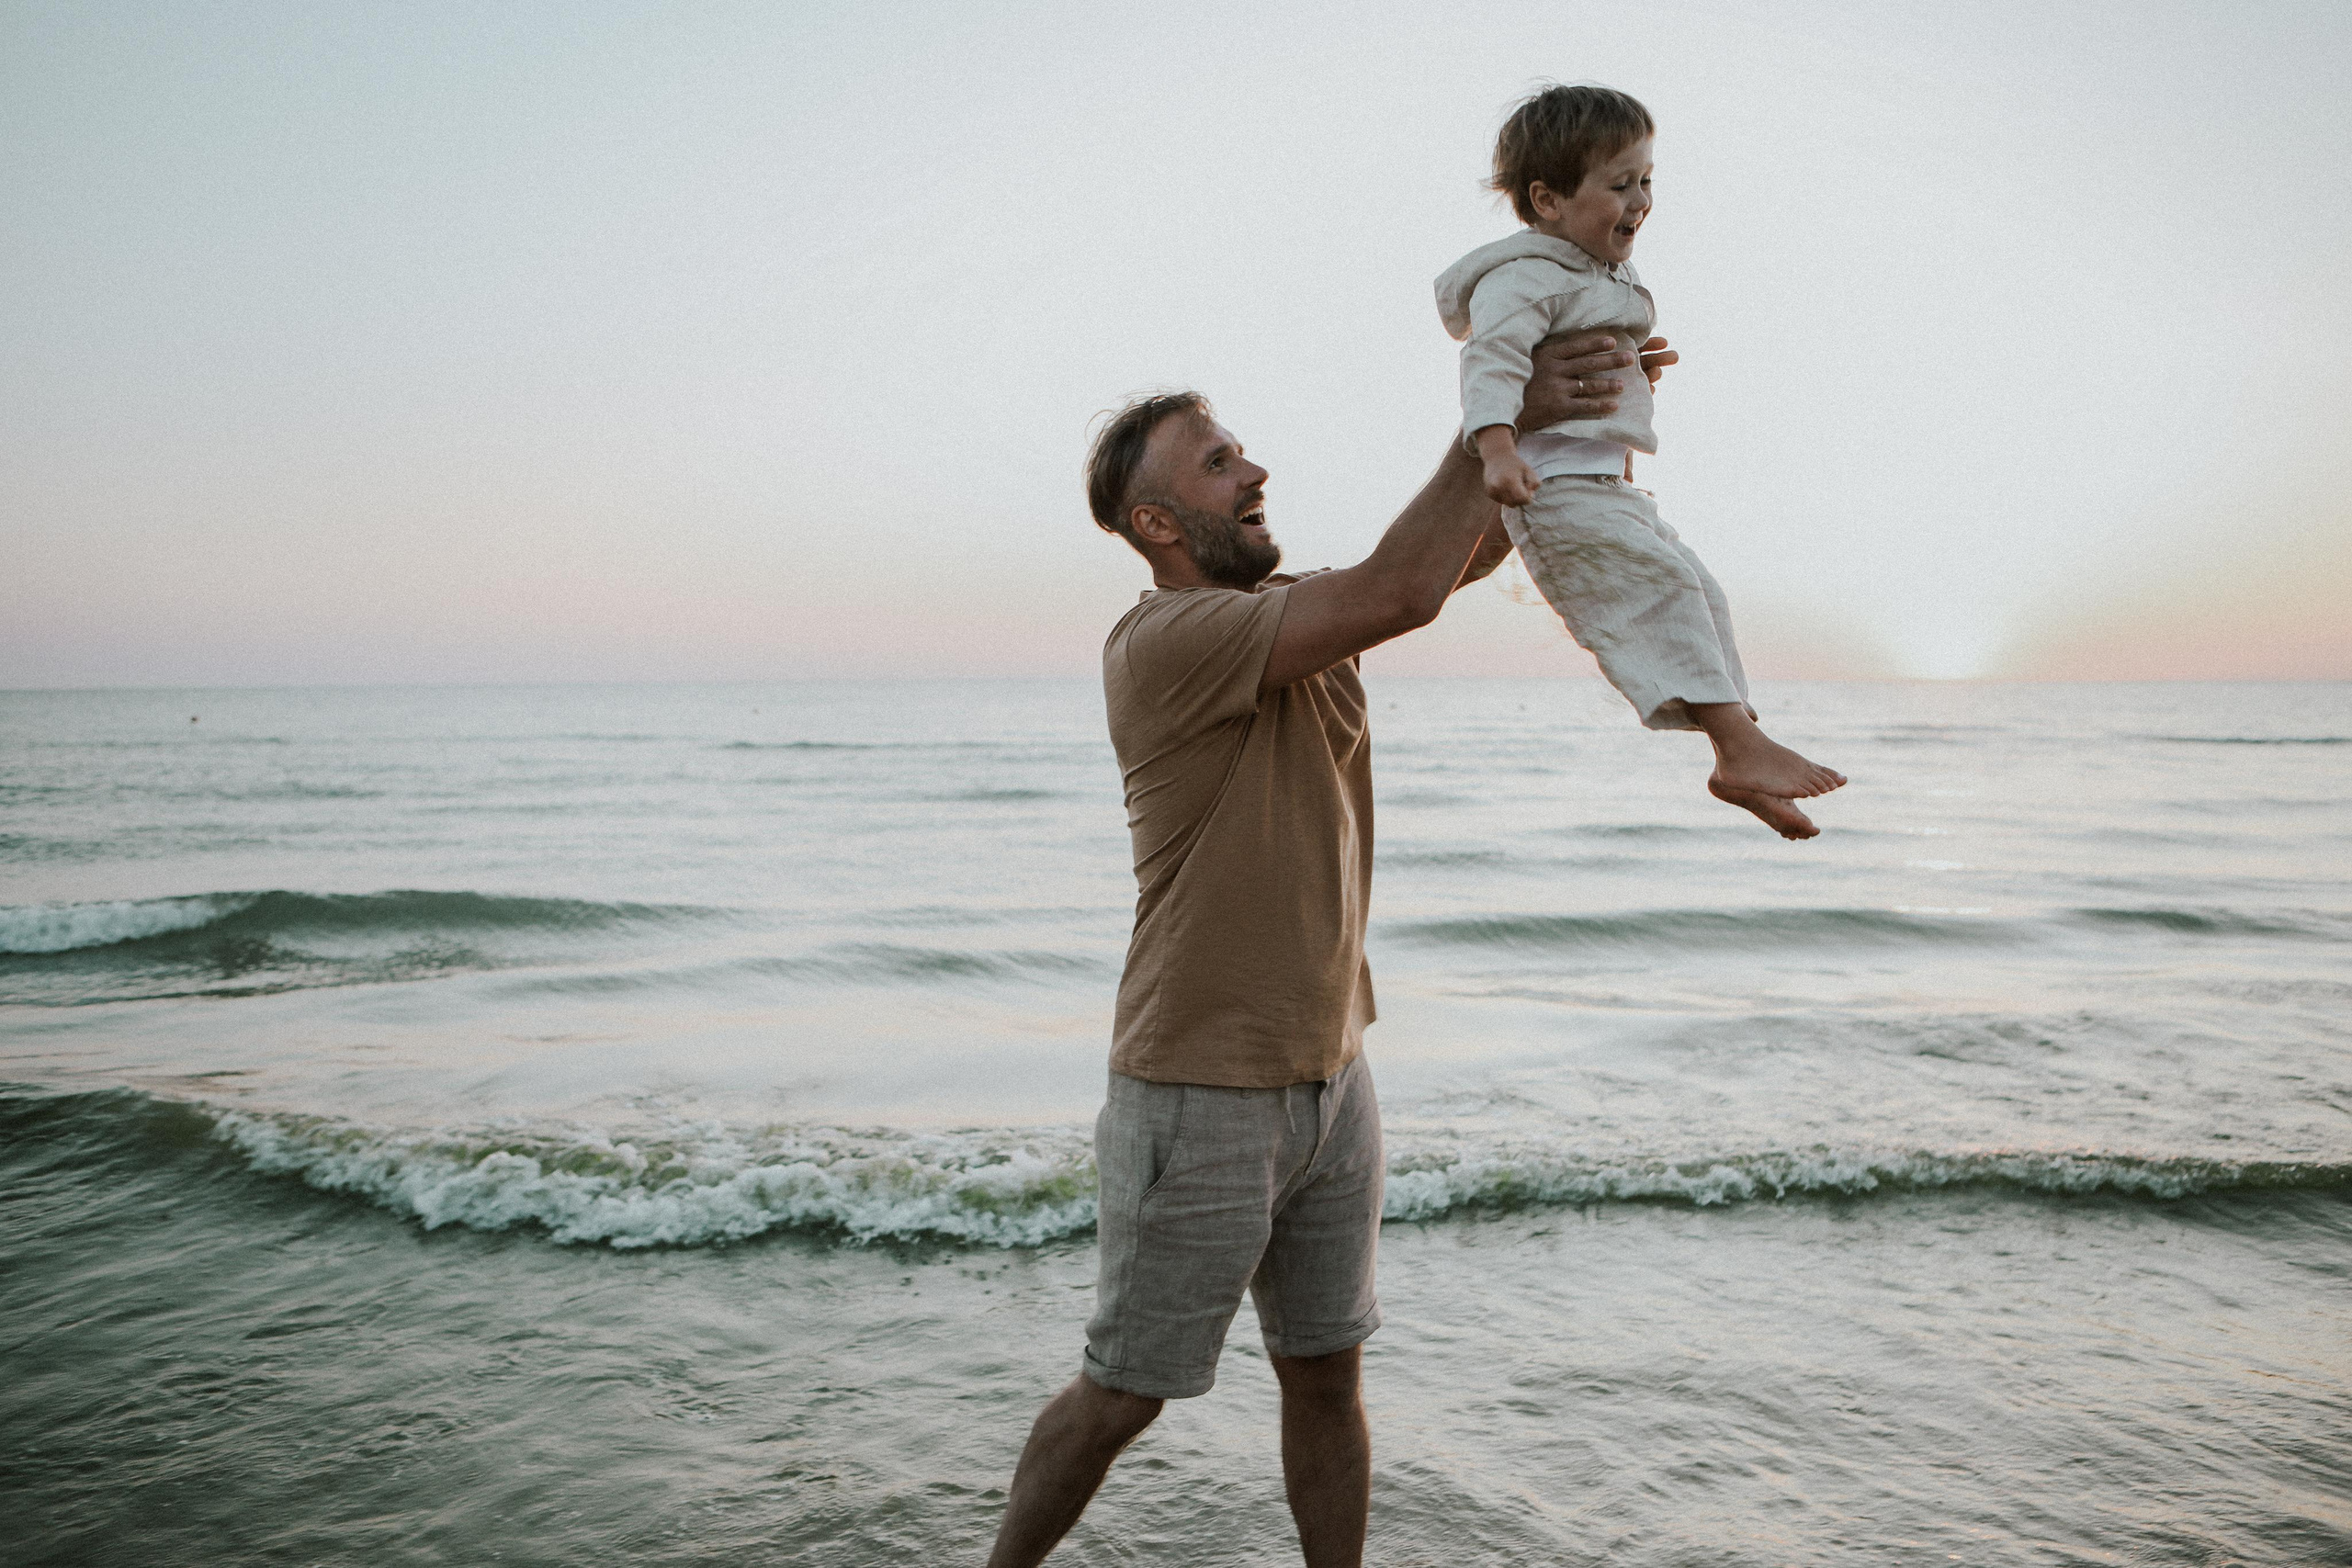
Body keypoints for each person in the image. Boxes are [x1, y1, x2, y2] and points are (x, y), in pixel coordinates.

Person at [980, 332, 1671, 1568]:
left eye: (1240, 449)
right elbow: (1408, 584)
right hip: (1197, 1094)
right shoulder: (1165, 645)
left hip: (1332, 1080)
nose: (1254, 469)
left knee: (1325, 1377)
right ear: (1157, 522)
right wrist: (1499, 409)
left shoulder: (1291, 615)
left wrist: (1591, 416)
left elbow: (1474, 546)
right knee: (1120, 1395)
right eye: (1218, 461)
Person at [1437, 82, 1847, 840]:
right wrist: (1495, 448)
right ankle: (1741, 748)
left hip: (1605, 484)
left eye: (1647, 180)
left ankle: (1738, 754)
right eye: (1620, 184)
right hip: (1554, 489)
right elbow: (1490, 362)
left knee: (1698, 591)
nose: (1642, 199)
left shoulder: (1593, 276)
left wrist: (1631, 376)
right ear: (1549, 199)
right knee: (1657, 590)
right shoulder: (1524, 277)